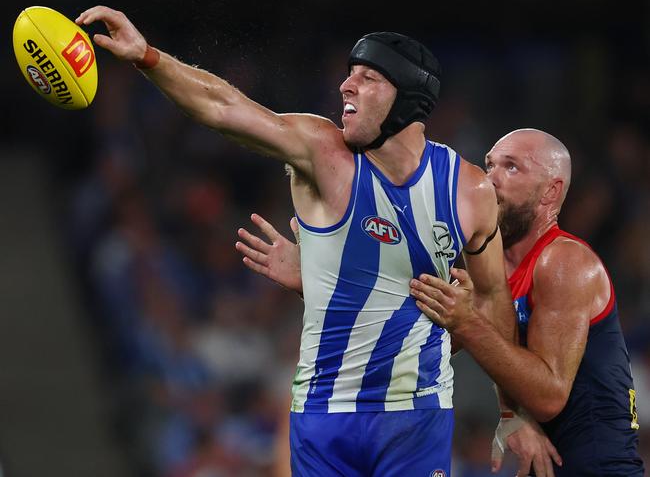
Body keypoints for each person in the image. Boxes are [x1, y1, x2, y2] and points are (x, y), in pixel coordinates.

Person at [76, 5, 534, 475]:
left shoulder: (469, 190)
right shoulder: (322, 151)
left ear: (408, 98)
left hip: (414, 420)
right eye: (349, 73)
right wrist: (147, 56)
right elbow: (222, 108)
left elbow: (492, 297)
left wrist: (509, 410)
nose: (345, 85)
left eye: (368, 77)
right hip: (322, 416)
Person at [235, 129, 645, 476]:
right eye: (490, 163)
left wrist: (467, 323)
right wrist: (316, 283)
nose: (492, 177)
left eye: (512, 167)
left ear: (551, 191)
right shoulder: (484, 266)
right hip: (538, 463)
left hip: (594, 463)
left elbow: (549, 396)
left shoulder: (563, 261)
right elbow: (414, 348)